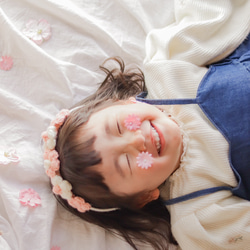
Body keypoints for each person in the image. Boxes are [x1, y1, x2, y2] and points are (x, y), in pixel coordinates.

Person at [42, 1, 250, 250]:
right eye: (128, 162)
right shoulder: (198, 214)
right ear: (144, 196)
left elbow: (214, 16)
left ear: (120, 103)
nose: (136, 141)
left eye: (120, 127)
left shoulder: (168, 71)